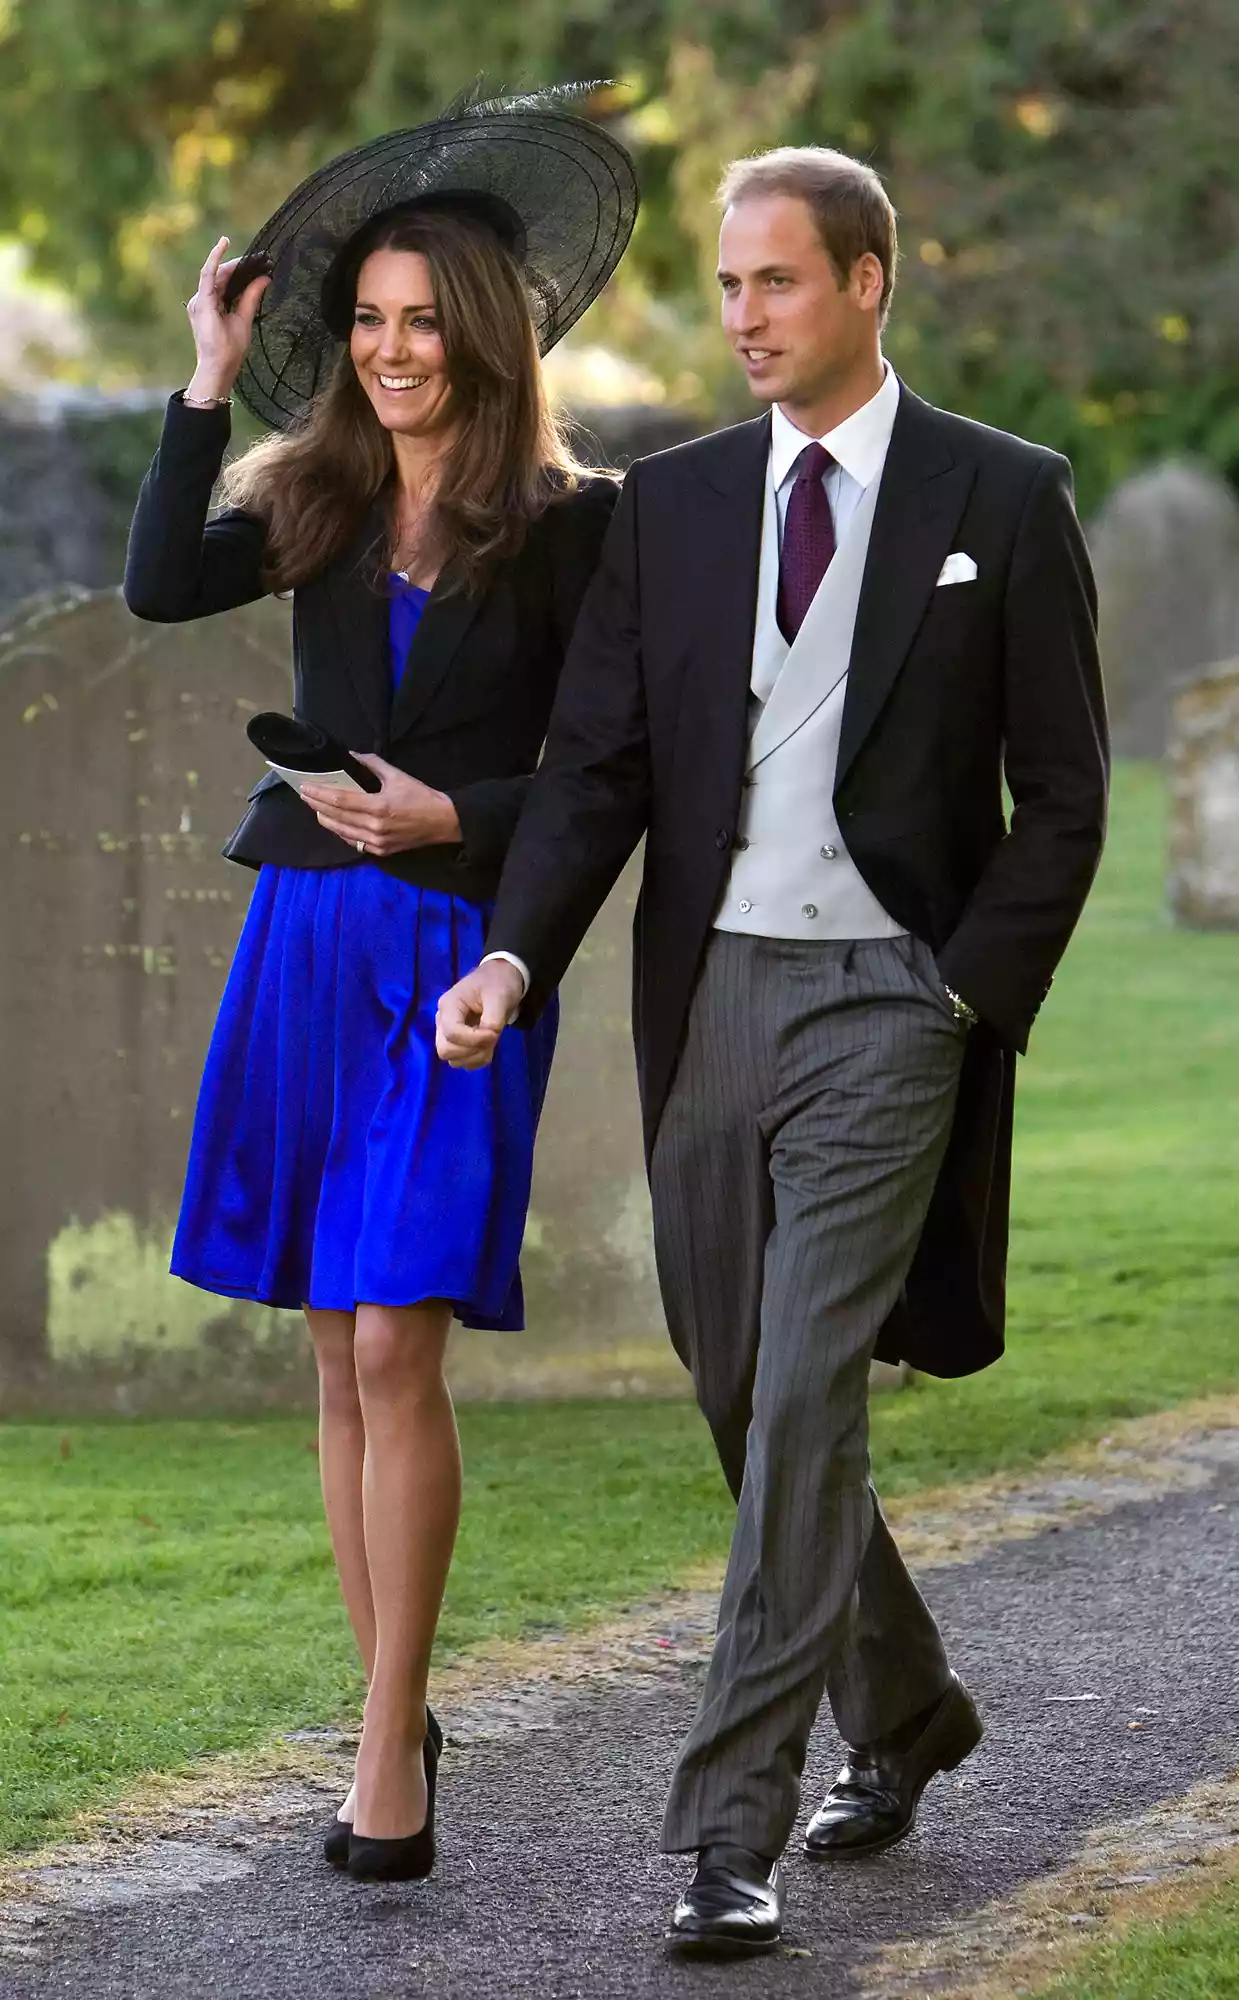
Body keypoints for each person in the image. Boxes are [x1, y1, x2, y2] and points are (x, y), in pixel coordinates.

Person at [436, 145, 1108, 1951]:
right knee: (744, 1398)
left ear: (870, 281)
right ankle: (905, 1712)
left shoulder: (1001, 492)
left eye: (776, 283)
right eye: (727, 287)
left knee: (808, 1392)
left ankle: (723, 1836)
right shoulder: (671, 509)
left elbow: (1062, 799)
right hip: (710, 996)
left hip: (892, 1007)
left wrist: (961, 990)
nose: (740, 317)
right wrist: (510, 956)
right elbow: (594, 773)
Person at [123, 89, 636, 1884]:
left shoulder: (581, 526)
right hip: (307, 945)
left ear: (484, 335)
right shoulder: (316, 498)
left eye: (423, 319)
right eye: (369, 320)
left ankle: (382, 1751)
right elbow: (151, 585)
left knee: (400, 1332)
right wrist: (208, 373)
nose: (393, 348)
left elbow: (601, 770)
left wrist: (453, 815)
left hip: (457, 964)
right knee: (336, 1352)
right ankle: (386, 1702)